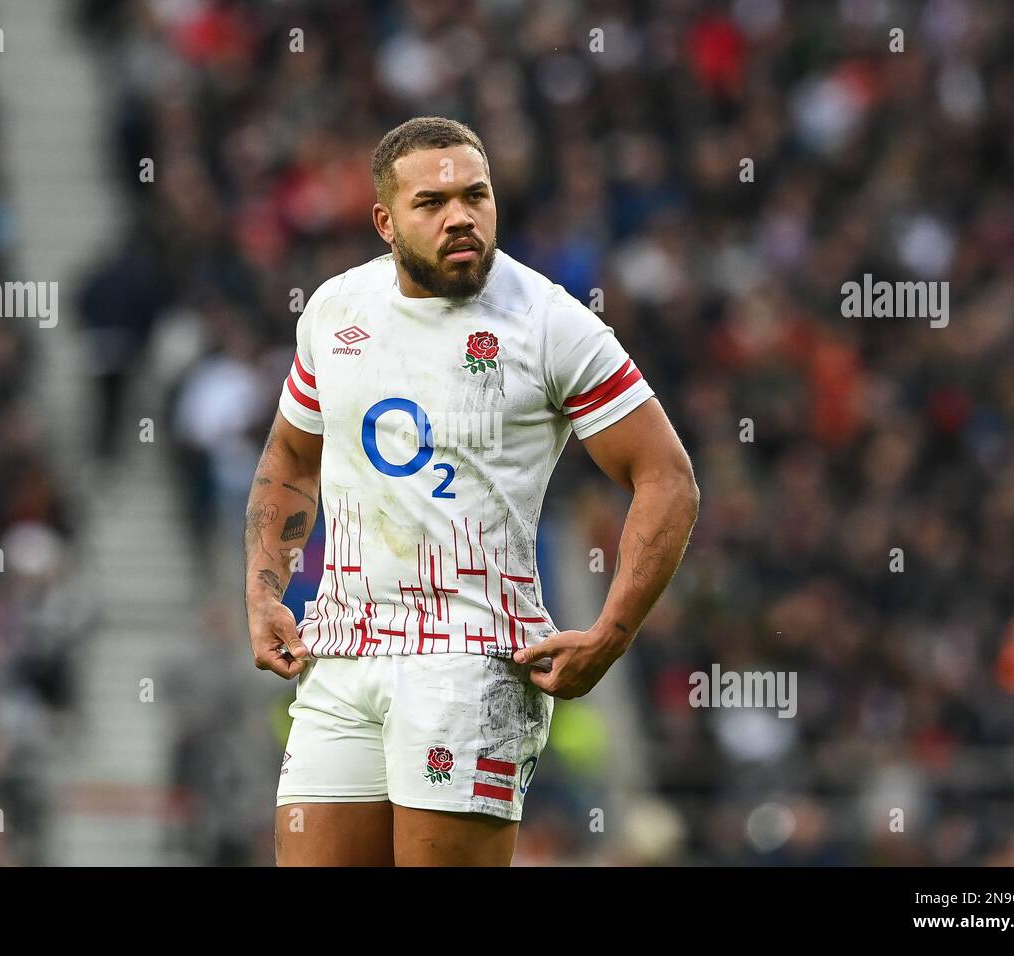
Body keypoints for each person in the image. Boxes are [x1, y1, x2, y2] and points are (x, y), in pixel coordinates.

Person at [244, 117, 700, 866]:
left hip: (471, 660)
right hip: (342, 650)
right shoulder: (335, 311)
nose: (460, 216)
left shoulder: (551, 322)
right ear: (385, 222)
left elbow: (667, 479)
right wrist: (265, 594)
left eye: (475, 195)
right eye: (432, 202)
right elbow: (291, 458)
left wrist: (611, 635)